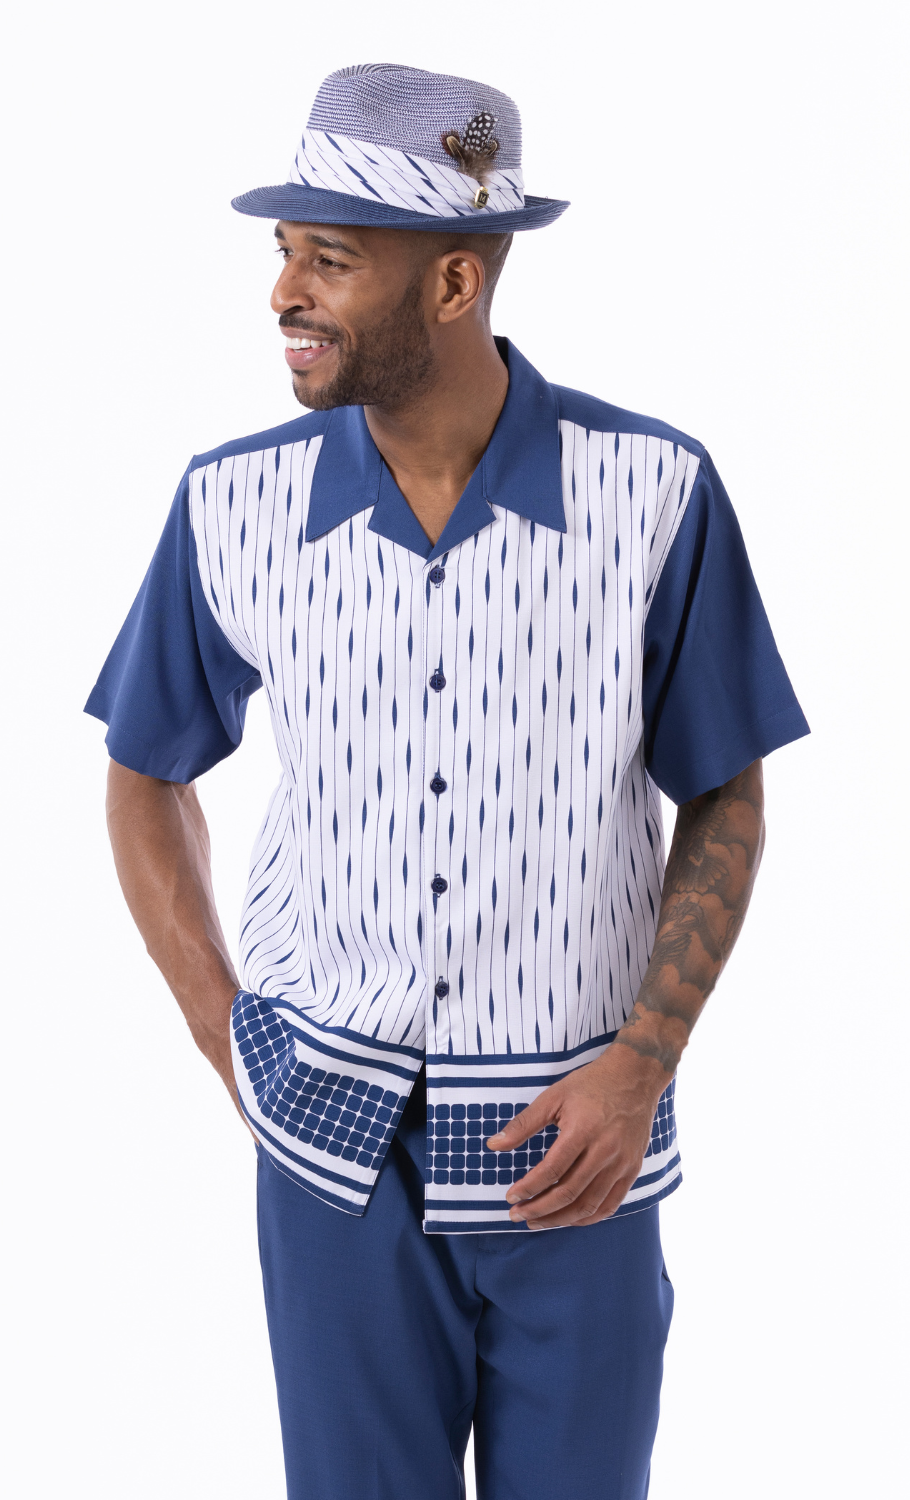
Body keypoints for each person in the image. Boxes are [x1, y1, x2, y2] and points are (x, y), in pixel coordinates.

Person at [86, 63, 809, 1500]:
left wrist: (643, 1063)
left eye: (329, 259)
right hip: (330, 1148)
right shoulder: (230, 502)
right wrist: (225, 1032)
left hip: (578, 1146)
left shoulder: (653, 491)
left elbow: (723, 793)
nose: (284, 293)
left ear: (454, 282)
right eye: (284, 251)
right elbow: (142, 769)